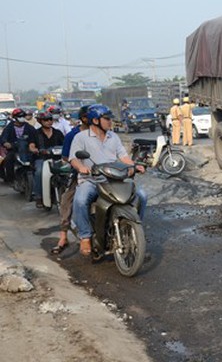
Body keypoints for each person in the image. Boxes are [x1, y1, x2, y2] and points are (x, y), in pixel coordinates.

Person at [69, 104, 146, 256]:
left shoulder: (113, 136)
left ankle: (135, 228)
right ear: (96, 120)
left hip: (114, 178)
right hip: (91, 179)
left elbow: (123, 157)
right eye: (107, 119)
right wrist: (82, 168)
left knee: (142, 195)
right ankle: (85, 236)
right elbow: (73, 159)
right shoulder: (81, 137)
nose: (110, 122)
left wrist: (134, 166)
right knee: (80, 200)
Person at [51, 105, 91, 254]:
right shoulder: (72, 135)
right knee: (67, 201)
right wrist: (79, 166)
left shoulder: (103, 133)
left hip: (104, 173)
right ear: (84, 119)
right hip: (82, 174)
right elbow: (66, 157)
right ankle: (63, 237)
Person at [32, 112, 65, 208]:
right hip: (41, 159)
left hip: (57, 159)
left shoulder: (58, 133)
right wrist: (36, 150)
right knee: (39, 172)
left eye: (50, 119)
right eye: (46, 120)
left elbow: (65, 145)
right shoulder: (36, 133)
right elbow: (31, 145)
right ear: (40, 121)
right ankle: (38, 196)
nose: (49, 121)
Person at [0, 108, 38, 183]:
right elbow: (3, 138)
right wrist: (6, 143)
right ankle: (11, 179)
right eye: (20, 116)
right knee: (8, 160)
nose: (22, 118)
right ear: (15, 118)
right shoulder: (9, 128)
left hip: (27, 149)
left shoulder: (29, 127)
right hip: (14, 150)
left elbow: (36, 137)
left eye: (23, 116)